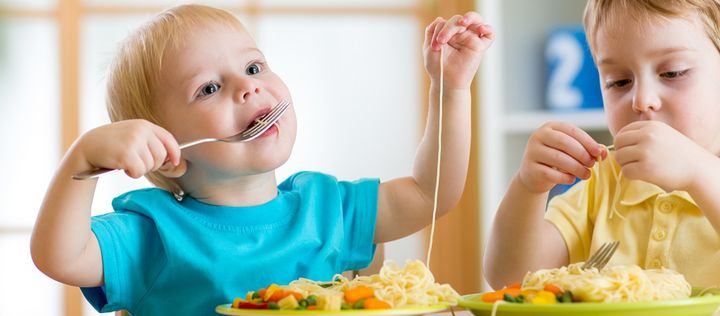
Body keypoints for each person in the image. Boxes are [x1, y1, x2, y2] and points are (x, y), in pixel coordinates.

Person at [30, 4, 494, 315]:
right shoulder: (155, 233)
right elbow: (61, 258)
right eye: (209, 88)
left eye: (253, 67)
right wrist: (83, 160)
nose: (248, 86)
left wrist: (449, 91)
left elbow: (431, 193)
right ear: (167, 153)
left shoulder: (329, 207)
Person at [484, 0, 720, 290]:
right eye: (619, 81)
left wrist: (698, 172)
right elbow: (510, 278)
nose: (641, 100)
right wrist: (528, 188)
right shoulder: (603, 181)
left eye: (672, 72)